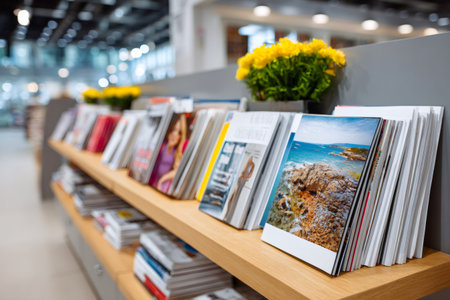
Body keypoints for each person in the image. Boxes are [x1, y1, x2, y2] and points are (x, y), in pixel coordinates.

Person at [149, 114, 188, 193]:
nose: (175, 134)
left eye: (179, 132)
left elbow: (177, 171)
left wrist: (162, 179)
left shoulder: (177, 151)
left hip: (164, 186)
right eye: (174, 129)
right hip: (153, 183)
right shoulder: (162, 146)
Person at [224, 156, 255, 222]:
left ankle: (228, 217)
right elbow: (244, 171)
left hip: (243, 180)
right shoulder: (248, 162)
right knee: (232, 198)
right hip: (240, 178)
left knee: (235, 198)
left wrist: (246, 178)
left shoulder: (252, 164)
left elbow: (250, 173)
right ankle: (227, 215)